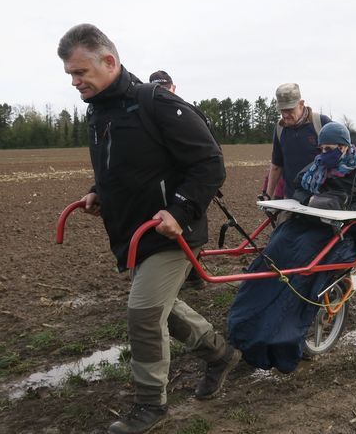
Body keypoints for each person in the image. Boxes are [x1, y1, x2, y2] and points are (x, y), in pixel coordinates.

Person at [57, 24, 239, 434]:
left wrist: (180, 209)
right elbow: (119, 166)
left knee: (142, 312)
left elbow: (210, 163)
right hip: (132, 231)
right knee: (163, 308)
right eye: (70, 74)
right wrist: (95, 192)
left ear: (109, 61)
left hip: (170, 232)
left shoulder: (155, 104)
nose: (75, 81)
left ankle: (150, 405)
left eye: (80, 72)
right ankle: (220, 355)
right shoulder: (99, 111)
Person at [228, 122, 356, 372]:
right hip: (307, 225)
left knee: (301, 269)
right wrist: (310, 201)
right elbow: (298, 191)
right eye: (322, 148)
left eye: (330, 148)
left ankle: (279, 337)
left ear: (344, 147)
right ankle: (244, 323)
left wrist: (345, 208)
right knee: (274, 253)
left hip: (342, 234)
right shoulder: (316, 168)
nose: (324, 152)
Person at [149, 70, 205, 290]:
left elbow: (209, 156)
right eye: (158, 89)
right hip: (161, 183)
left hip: (188, 182)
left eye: (165, 88)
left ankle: (192, 275)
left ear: (174, 88)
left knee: (190, 227)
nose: (163, 93)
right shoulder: (148, 115)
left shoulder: (189, 113)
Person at [265, 83, 331, 199]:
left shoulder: (321, 124)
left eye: (289, 110)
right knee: (285, 218)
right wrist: (267, 196)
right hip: (291, 200)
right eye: (282, 110)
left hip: (321, 200)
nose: (285, 115)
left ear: (301, 104)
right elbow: (276, 165)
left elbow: (342, 155)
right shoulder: (280, 129)